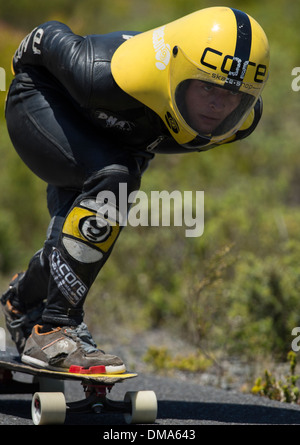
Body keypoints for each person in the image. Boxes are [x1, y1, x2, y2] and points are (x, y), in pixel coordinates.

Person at [1, 7, 269, 372]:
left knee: (79, 239)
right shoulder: (99, 71)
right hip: (44, 101)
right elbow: (45, 35)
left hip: (119, 141)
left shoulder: (242, 123)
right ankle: (55, 329)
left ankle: (22, 305)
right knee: (115, 179)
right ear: (177, 68)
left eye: (232, 94)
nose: (218, 104)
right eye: (207, 85)